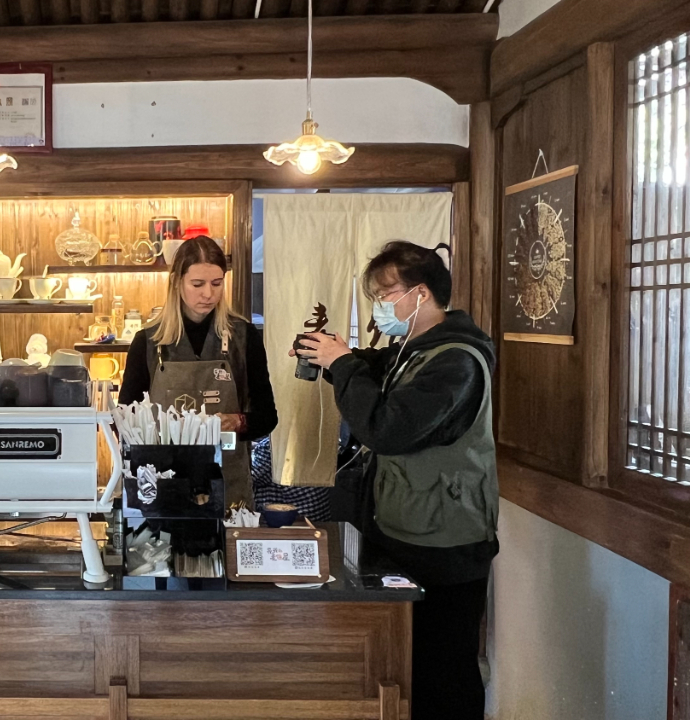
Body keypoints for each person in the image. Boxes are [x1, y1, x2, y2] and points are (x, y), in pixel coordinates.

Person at [294, 241, 498, 720]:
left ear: (421, 294)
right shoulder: (412, 349)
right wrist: (332, 359)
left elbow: (387, 427)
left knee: (444, 668)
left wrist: (342, 363)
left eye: (386, 295)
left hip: (445, 540)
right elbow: (372, 371)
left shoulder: (457, 361)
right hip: (407, 526)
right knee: (407, 662)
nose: (379, 306)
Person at [119, 236, 277, 507]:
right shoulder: (148, 342)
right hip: (162, 482)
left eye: (216, 284)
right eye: (197, 284)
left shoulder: (243, 337)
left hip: (227, 481)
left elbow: (267, 417)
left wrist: (235, 421)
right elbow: (124, 419)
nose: (208, 294)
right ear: (176, 282)